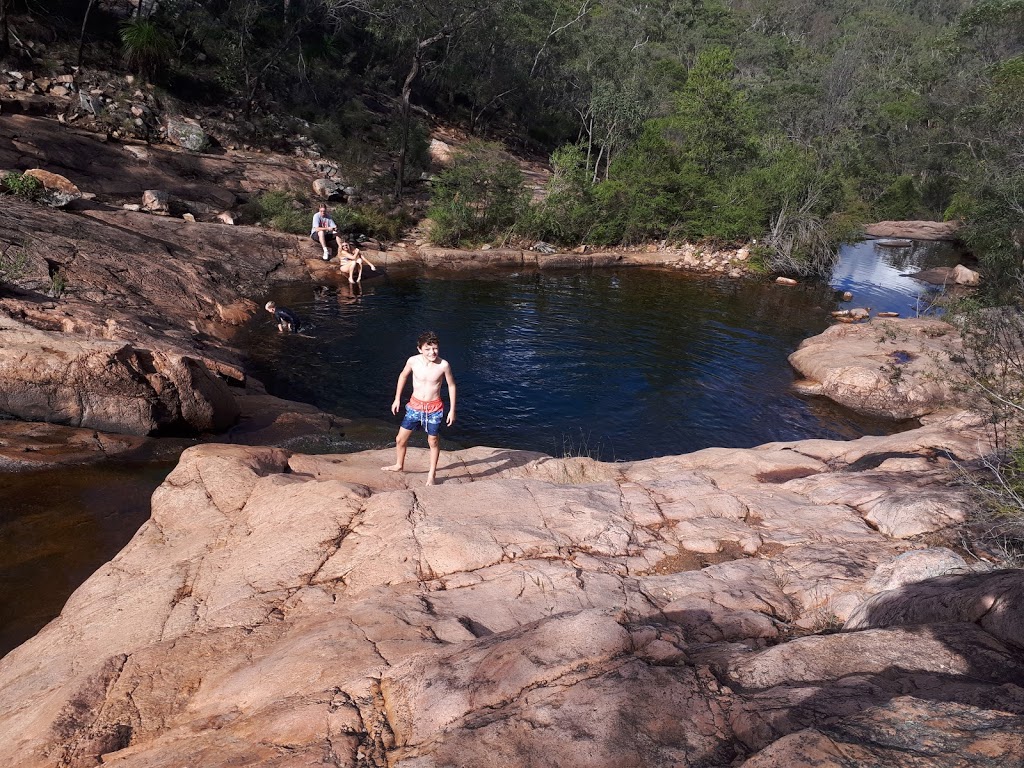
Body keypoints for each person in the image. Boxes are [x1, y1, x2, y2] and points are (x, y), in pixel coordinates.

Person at [382, 330, 457, 486]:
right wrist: (397, 399)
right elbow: (403, 376)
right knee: (400, 439)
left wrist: (452, 410)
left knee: (433, 441)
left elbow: (451, 385)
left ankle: (431, 475)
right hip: (414, 406)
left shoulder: (443, 365)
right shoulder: (413, 361)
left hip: (434, 408)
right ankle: (399, 464)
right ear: (420, 349)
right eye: (428, 349)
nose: (432, 352)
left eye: (435, 348)